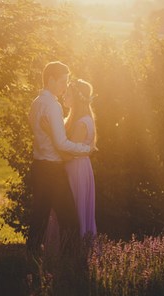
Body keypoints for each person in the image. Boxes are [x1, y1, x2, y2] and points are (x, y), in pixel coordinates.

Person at [26, 61, 91, 253]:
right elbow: (61, 144)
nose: (65, 86)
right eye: (63, 81)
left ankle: (30, 260)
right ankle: (72, 264)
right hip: (52, 171)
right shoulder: (53, 106)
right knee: (69, 220)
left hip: (39, 167)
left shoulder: (36, 103)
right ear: (51, 80)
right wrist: (85, 149)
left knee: (39, 218)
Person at [61, 78, 97, 238]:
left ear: (76, 98)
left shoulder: (81, 123)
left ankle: (74, 248)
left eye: (67, 93)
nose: (63, 96)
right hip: (81, 166)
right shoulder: (79, 119)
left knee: (74, 206)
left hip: (75, 169)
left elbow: (70, 153)